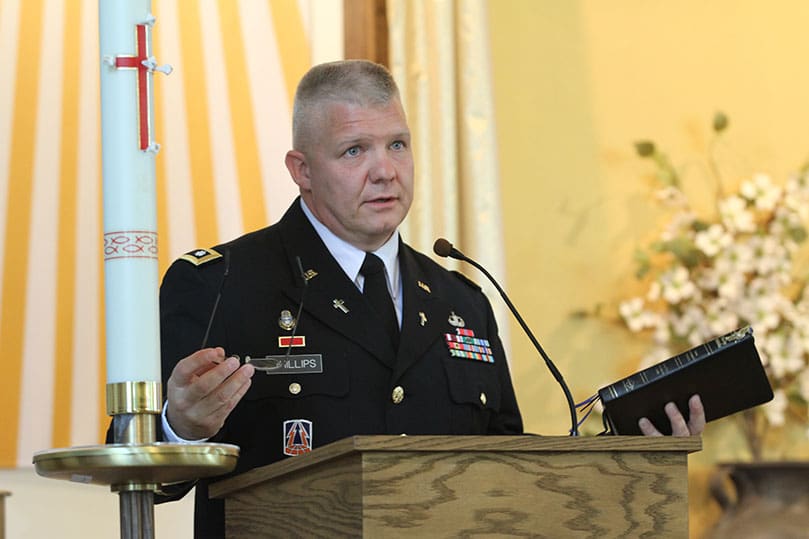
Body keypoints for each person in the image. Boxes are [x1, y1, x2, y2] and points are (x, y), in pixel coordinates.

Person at [157, 60, 705, 537]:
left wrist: (629, 447)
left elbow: (504, 465)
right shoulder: (221, 284)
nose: (385, 171)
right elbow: (142, 472)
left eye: (397, 144)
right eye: (355, 151)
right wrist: (178, 429)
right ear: (302, 171)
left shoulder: (459, 297)